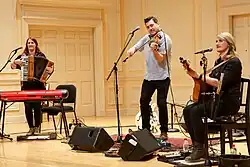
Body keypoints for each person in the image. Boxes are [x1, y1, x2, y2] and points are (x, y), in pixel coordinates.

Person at [182, 32, 242, 161]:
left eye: (220, 40)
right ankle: (198, 146)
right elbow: (208, 81)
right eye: (216, 41)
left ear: (229, 43)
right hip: (216, 101)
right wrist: (194, 75)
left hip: (228, 102)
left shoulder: (234, 62)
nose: (217, 43)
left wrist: (200, 76)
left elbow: (220, 83)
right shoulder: (218, 62)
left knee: (196, 111)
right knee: (187, 110)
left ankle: (200, 149)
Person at [127, 16, 172, 139]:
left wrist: (154, 50)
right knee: (143, 101)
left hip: (163, 77)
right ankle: (146, 130)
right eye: (148, 27)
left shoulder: (165, 40)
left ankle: (164, 131)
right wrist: (132, 50)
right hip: (149, 77)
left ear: (157, 24)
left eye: (152, 25)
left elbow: (160, 59)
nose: (150, 28)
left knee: (161, 103)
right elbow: (136, 46)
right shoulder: (147, 39)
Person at [10, 37, 54, 136]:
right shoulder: (22, 56)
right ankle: (31, 128)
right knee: (28, 107)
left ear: (35, 45)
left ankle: (37, 127)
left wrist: (49, 70)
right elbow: (12, 66)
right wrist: (17, 62)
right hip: (27, 85)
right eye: (29, 43)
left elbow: (48, 67)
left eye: (32, 42)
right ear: (27, 45)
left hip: (38, 85)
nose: (30, 44)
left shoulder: (41, 56)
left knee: (37, 107)